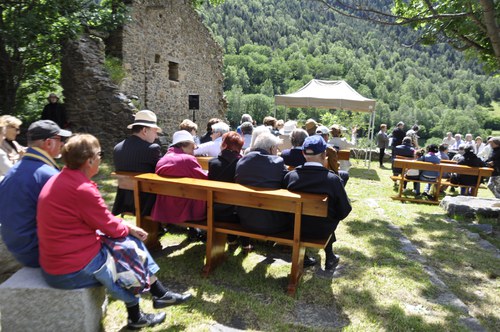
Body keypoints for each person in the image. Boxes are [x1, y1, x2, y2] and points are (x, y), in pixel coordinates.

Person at [37, 134, 191, 330]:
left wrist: (127, 227)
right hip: (70, 268)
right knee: (129, 254)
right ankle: (146, 308)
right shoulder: (82, 188)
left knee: (129, 244)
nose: (101, 158)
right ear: (89, 160)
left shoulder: (61, 179)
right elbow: (111, 227)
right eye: (100, 154)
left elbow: (101, 221)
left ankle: (157, 297)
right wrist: (129, 228)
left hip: (57, 259)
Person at [0, 120, 71, 267]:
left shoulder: (16, 169)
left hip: (18, 249)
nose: (63, 144)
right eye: (60, 140)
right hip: (36, 253)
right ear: (48, 143)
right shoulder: (48, 175)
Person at [283, 135, 352, 271]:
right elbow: (344, 210)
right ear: (324, 154)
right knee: (329, 215)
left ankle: (311, 256)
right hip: (323, 230)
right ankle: (330, 256)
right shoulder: (333, 180)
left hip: (294, 227)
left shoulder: (290, 176)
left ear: (303, 153)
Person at [235, 133, 291, 235]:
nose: (277, 151)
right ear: (271, 148)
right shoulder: (277, 162)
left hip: (245, 220)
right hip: (274, 223)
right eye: (276, 148)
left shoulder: (242, 161)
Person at [113, 110, 162, 216]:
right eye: (155, 131)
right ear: (144, 130)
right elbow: (162, 171)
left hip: (124, 201)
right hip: (146, 204)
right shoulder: (152, 149)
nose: (156, 136)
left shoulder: (117, 148)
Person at [152, 130, 207, 224]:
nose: (194, 151)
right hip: (184, 208)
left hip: (165, 207)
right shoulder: (187, 159)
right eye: (193, 147)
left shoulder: (163, 159)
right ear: (183, 145)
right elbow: (205, 179)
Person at [208, 132, 251, 250]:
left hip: (216, 209)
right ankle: (245, 244)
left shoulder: (213, 163)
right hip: (237, 211)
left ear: (224, 145)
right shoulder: (243, 163)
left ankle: (232, 240)